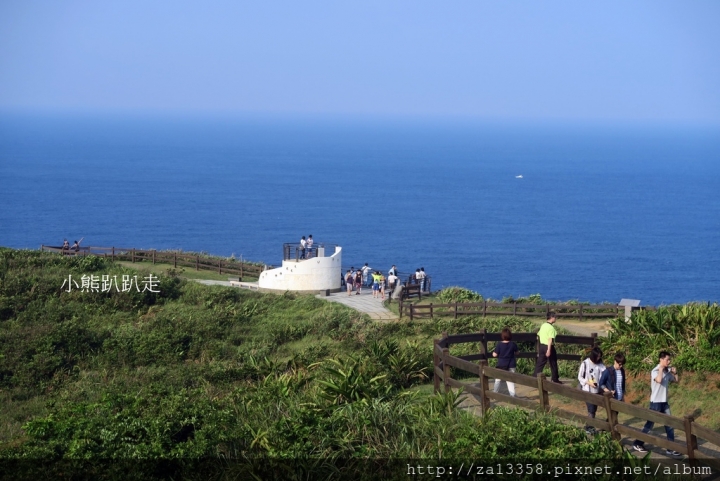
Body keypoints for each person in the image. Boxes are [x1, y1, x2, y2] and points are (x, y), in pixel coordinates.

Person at [632, 351, 681, 456]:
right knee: (649, 425)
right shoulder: (655, 370)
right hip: (655, 403)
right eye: (667, 359)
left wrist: (675, 373)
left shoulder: (667, 372)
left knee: (670, 424)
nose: (669, 361)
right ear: (661, 359)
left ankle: (670, 448)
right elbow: (658, 380)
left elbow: (676, 381)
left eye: (669, 359)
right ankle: (637, 443)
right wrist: (660, 370)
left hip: (664, 403)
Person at [578, 347, 606, 434]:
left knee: (594, 409)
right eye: (597, 357)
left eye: (600, 357)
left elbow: (605, 373)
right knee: (591, 409)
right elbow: (580, 377)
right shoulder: (585, 363)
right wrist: (588, 383)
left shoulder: (600, 364)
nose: (598, 358)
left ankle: (588, 426)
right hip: (588, 390)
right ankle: (589, 427)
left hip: (597, 390)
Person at [533, 311, 561, 383]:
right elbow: (550, 339)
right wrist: (549, 350)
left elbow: (538, 335)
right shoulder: (551, 328)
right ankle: (555, 379)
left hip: (542, 346)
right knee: (553, 362)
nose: (556, 319)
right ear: (552, 318)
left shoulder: (543, 325)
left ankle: (534, 377)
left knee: (540, 363)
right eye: (555, 317)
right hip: (548, 346)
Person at [492, 327, 519, 397]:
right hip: (511, 364)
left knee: (498, 380)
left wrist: (493, 353)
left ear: (502, 336)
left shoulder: (499, 344)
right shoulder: (513, 344)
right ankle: (512, 396)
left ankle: (495, 394)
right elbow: (517, 353)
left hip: (501, 364)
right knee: (510, 380)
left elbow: (495, 354)